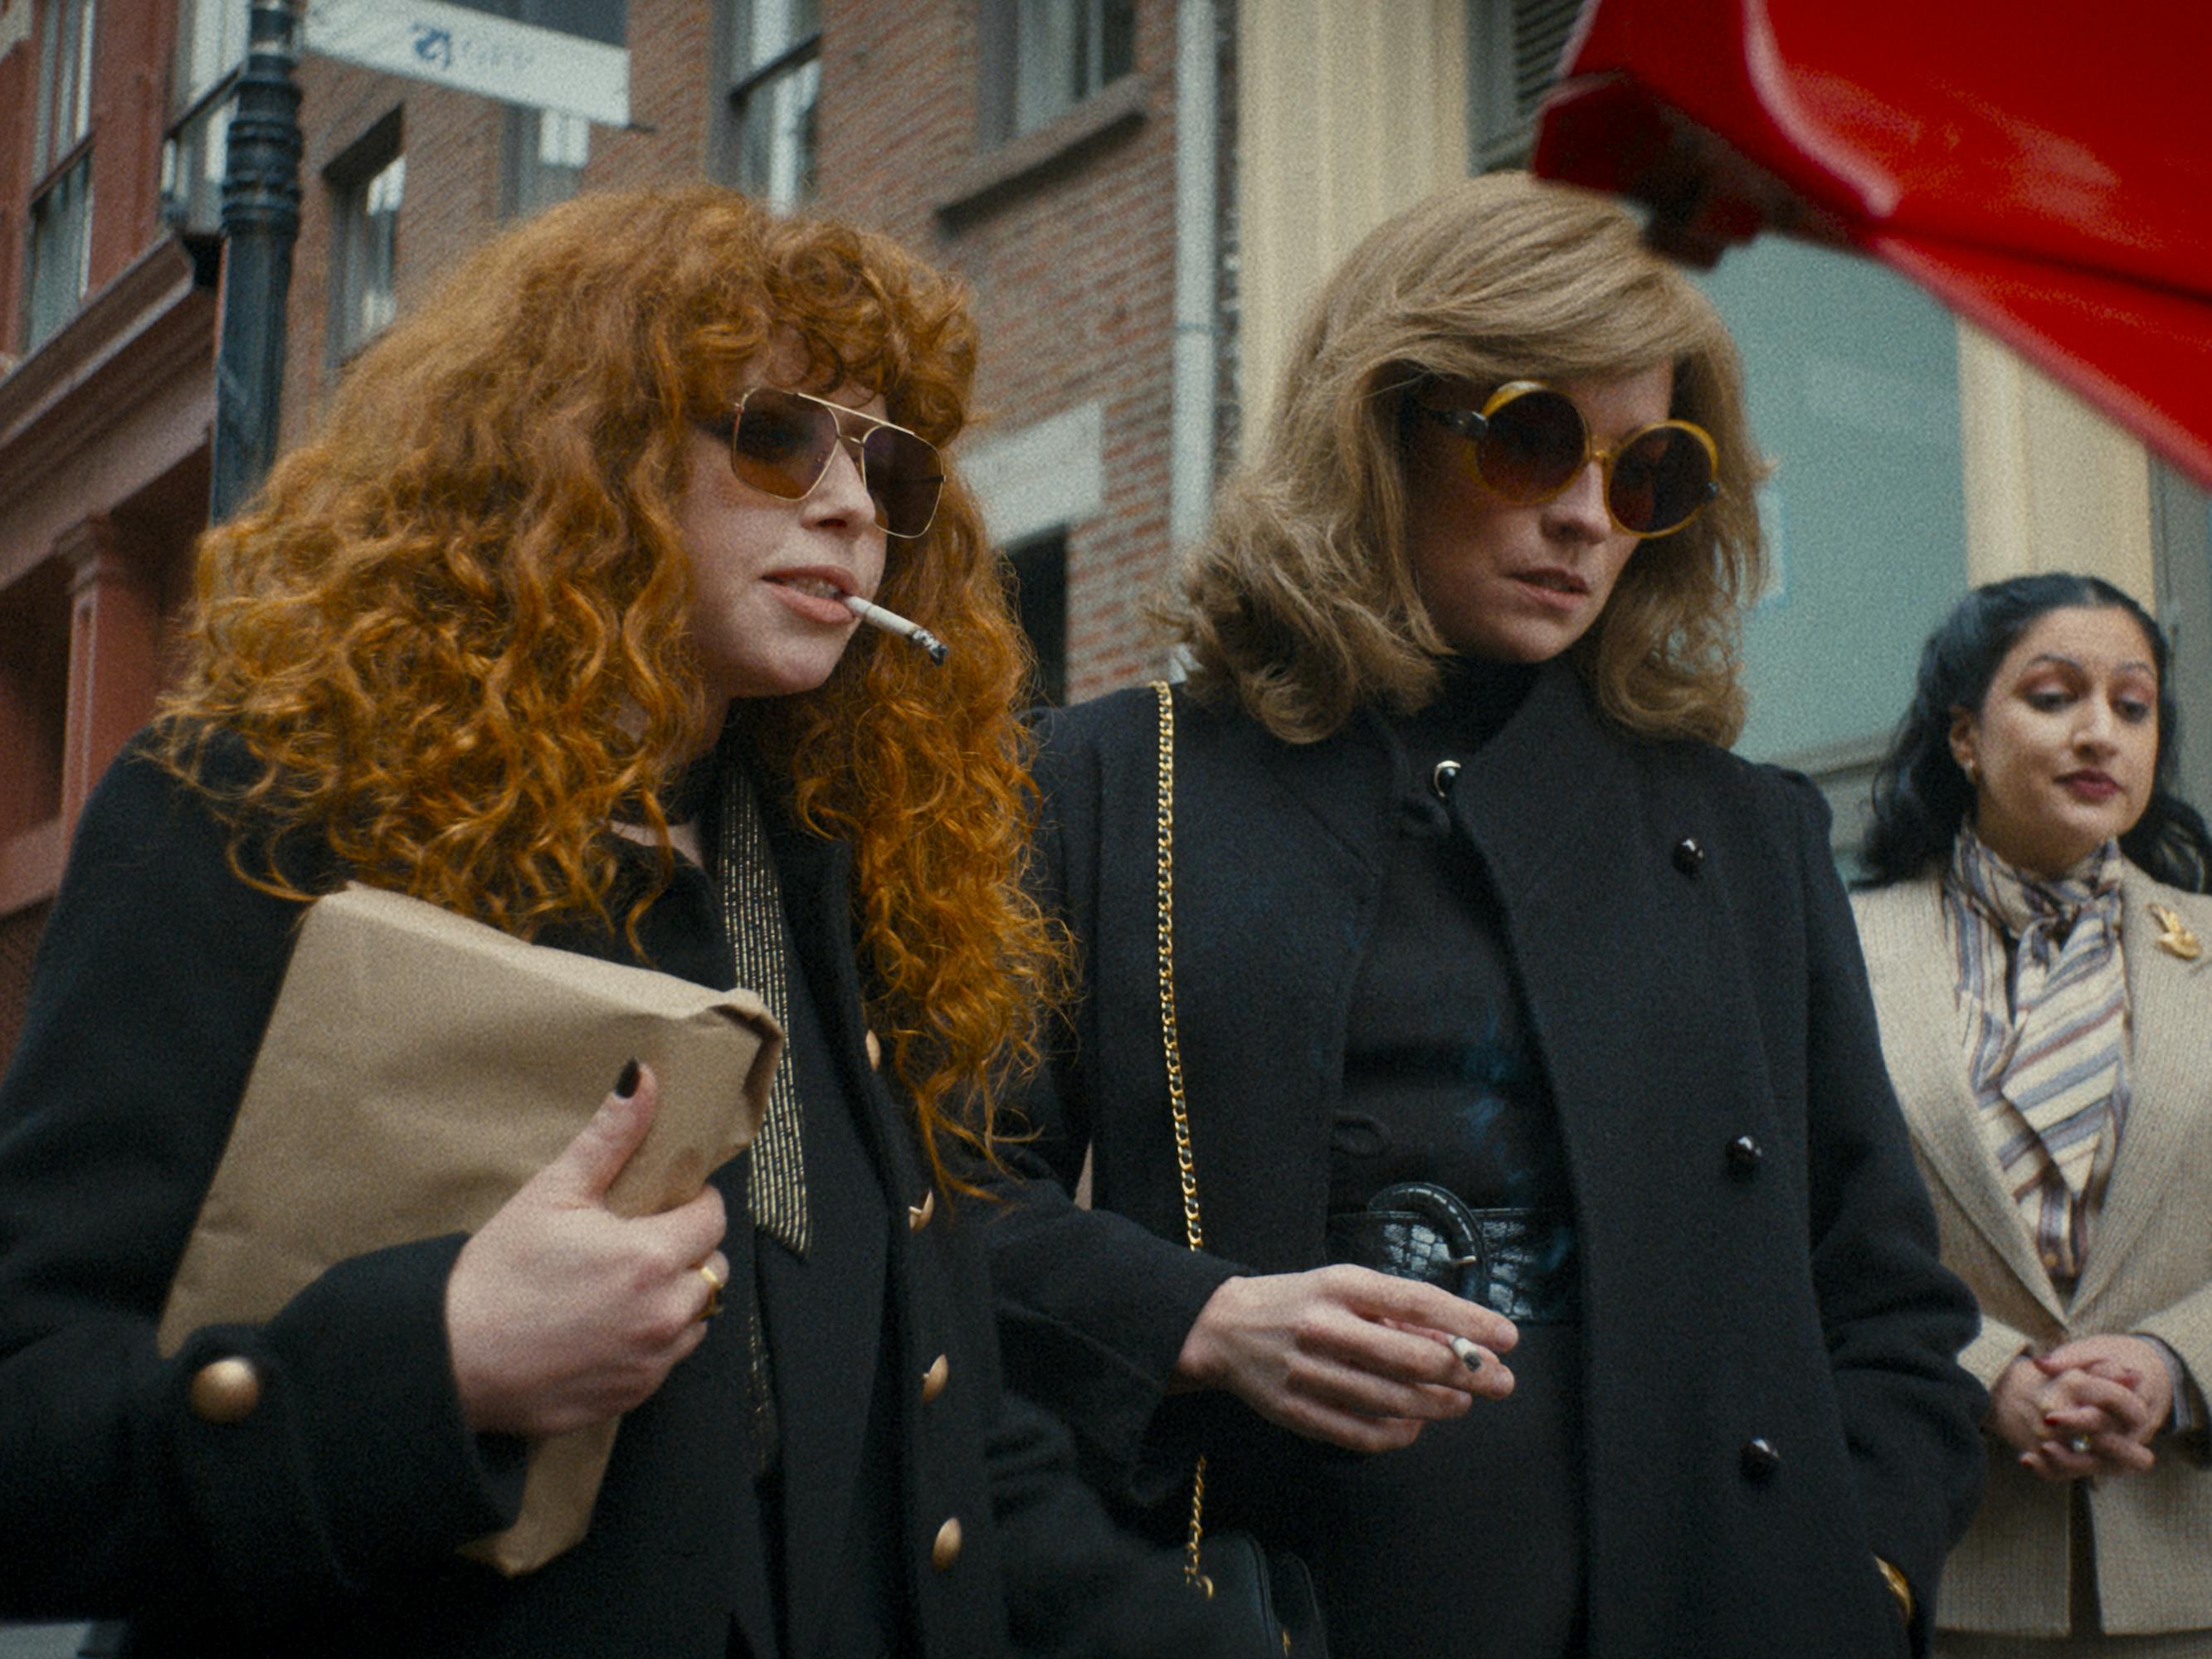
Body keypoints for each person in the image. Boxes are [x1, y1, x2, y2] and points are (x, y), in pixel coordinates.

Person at [0, 187, 1258, 1658]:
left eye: (891, 467)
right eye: (780, 435)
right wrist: (441, 1361)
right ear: (583, 452)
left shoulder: (821, 872)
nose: (853, 506)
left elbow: (935, 1453)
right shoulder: (265, 815)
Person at [985, 171, 1986, 1659]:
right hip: (1256, 1604)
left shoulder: (1747, 832)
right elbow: (941, 1209)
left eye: (1645, 474)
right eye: (1532, 443)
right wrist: (1191, 1320)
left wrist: (1857, 1578)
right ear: (1376, 433)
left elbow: (1889, 1305)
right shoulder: (1114, 787)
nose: (1587, 517)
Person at [1854, 573, 2212, 1656]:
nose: (2098, 732)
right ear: (1964, 735)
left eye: (2131, 704)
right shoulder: (1828, 949)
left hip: (2188, 1562)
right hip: (1932, 1559)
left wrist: (2171, 1366)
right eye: (2052, 697)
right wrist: (1979, 1371)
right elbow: (1780, 1224)